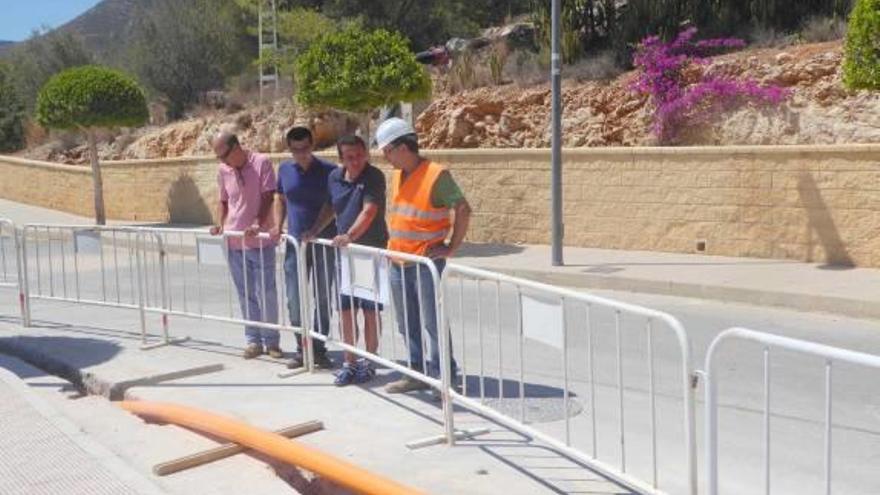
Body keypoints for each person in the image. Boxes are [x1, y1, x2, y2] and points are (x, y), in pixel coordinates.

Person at [375, 118, 472, 394]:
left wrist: (451, 247)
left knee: (432, 321)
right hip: (398, 261)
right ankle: (415, 372)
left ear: (403, 147)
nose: (385, 156)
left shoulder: (436, 175)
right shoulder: (397, 175)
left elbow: (463, 209)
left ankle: (445, 376)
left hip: (425, 263)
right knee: (407, 322)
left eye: (387, 150)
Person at [307, 135, 389, 386]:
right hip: (345, 254)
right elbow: (331, 207)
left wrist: (349, 236)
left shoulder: (374, 176)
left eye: (359, 155)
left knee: (369, 310)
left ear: (365, 153)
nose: (355, 161)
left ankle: (370, 361)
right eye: (349, 157)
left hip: (369, 251)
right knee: (345, 310)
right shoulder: (334, 177)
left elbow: (369, 210)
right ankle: (349, 362)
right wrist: (315, 229)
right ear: (341, 159)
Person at [270, 127, 337, 369]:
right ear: (289, 149)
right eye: (296, 150)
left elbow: (333, 205)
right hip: (295, 244)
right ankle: (302, 347)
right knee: (294, 298)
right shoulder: (285, 169)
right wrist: (277, 225)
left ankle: (318, 348)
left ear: (312, 145)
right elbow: (280, 198)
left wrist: (316, 229)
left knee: (322, 296)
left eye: (305, 148)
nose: (301, 154)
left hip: (322, 243)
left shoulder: (330, 171)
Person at [210, 131, 280, 359]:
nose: (222, 161)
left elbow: (269, 196)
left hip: (260, 241)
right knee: (245, 293)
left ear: (236, 147)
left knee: (266, 291)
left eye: (224, 155)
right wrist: (219, 224)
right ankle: (253, 340)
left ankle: (272, 341)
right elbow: (223, 201)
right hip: (234, 241)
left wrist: (258, 223)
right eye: (218, 157)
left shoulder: (261, 163)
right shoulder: (223, 171)